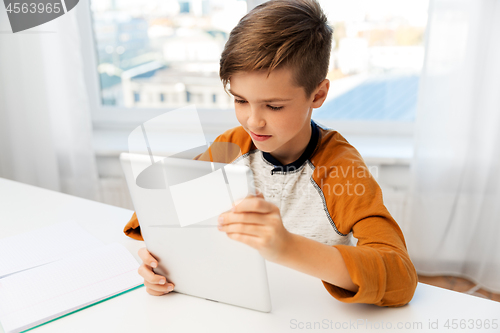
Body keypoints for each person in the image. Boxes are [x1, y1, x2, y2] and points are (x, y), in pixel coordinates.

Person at [124, 0, 418, 307]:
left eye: (274, 106)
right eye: (240, 100)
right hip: (236, 304)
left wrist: (286, 247)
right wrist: (160, 262)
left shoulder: (341, 169)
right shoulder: (232, 145)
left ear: (317, 95)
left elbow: (401, 280)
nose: (253, 121)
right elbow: (159, 216)